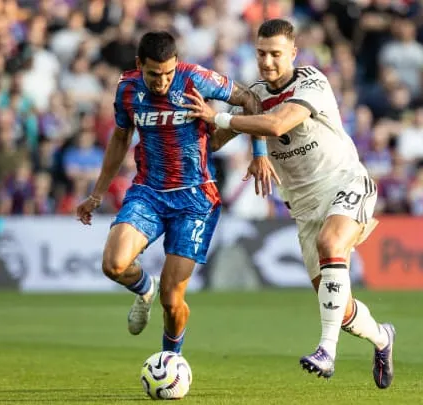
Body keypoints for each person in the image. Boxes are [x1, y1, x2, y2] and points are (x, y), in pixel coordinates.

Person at [182, 19, 395, 388]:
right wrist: (187, 128)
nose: (267, 61)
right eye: (261, 53)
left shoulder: (311, 81)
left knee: (332, 244)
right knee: (340, 309)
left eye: (276, 54)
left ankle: (326, 351)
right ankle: (382, 337)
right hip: (304, 208)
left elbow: (277, 124)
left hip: (345, 183)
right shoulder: (254, 94)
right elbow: (217, 139)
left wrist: (219, 115)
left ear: (293, 54)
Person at [75, 31, 275, 356]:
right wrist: (97, 194)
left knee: (173, 300)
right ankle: (144, 287)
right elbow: (120, 139)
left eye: (169, 73)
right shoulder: (127, 89)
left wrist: (259, 152)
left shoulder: (195, 78)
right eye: (154, 74)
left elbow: (250, 100)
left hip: (195, 199)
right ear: (140, 65)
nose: (163, 81)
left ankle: (171, 359)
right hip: (148, 192)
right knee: (113, 265)